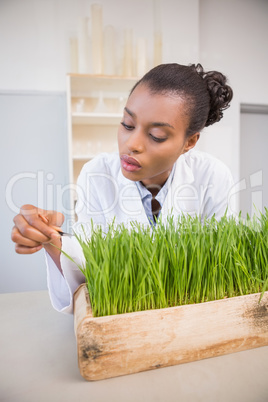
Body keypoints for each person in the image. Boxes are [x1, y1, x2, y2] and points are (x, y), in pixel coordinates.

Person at [11, 63, 234, 314]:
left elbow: (216, 269)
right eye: (128, 124)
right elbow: (92, 273)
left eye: (157, 135)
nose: (132, 144)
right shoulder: (97, 174)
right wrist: (52, 240)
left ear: (190, 142)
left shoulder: (212, 176)